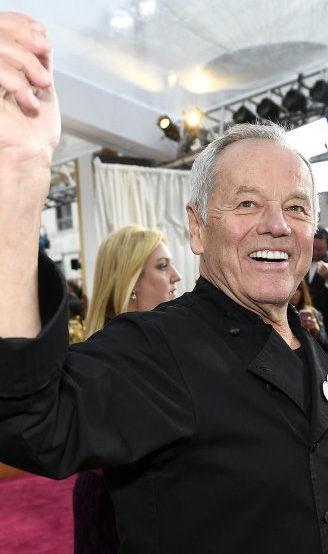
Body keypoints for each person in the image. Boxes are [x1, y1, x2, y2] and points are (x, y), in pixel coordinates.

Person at [0, 12, 328, 554]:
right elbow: (17, 418)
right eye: (247, 203)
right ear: (197, 228)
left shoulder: (306, 342)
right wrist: (18, 166)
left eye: (295, 207)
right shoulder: (160, 351)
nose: (276, 224)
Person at [73, 224, 182, 554]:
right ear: (131, 281)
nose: (176, 276)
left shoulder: (171, 344)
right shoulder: (100, 356)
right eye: (163, 267)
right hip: (118, 510)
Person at [291, 281, 328, 352]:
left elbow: (325, 349)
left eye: (298, 288)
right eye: (290, 289)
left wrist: (316, 330)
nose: (294, 293)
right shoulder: (274, 315)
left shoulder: (312, 313)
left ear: (303, 291)